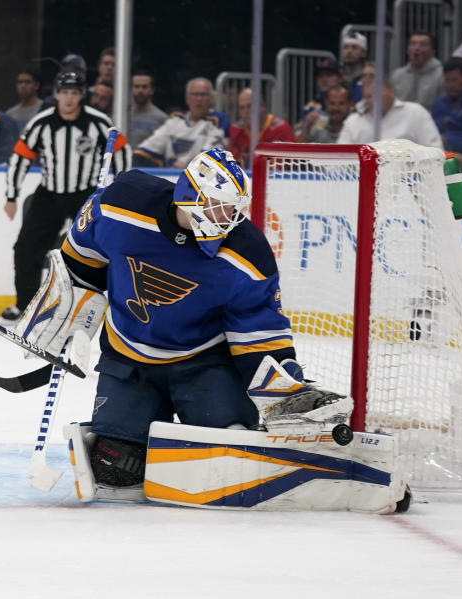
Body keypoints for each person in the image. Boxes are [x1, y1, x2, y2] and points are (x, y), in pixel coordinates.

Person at [33, 149, 298, 490]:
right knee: (115, 469)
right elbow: (78, 264)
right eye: (221, 206)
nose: (230, 218)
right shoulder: (119, 206)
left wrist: (286, 391)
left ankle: (222, 421)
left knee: (227, 457)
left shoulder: (248, 251)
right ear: (190, 198)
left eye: (234, 208)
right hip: (128, 360)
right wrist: (65, 312)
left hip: (205, 362)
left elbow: (257, 334)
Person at [1, 71, 130, 320]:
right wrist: (11, 195)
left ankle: (103, 307)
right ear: (56, 94)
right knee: (26, 249)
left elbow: (122, 150)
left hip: (86, 195)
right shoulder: (42, 123)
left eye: (74, 93)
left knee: (98, 251)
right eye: (65, 92)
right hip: (49, 194)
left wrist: (118, 188)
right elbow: (20, 157)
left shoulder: (99, 122)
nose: (69, 98)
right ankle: (25, 305)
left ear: (81, 95)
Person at [133, 77, 227, 168]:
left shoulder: (218, 120)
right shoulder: (175, 120)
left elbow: (209, 155)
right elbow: (147, 147)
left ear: (211, 99)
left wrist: (187, 166)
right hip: (171, 174)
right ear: (187, 99)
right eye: (195, 94)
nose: (199, 99)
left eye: (203, 95)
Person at [337, 74, 442, 148]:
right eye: (368, 96)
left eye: (377, 94)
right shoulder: (353, 121)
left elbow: (436, 151)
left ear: (391, 91)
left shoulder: (416, 113)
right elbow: (340, 158)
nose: (374, 100)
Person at [228, 87, 295, 168]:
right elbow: (233, 165)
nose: (246, 111)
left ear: (262, 106)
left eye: (249, 106)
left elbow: (289, 164)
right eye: (242, 108)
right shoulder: (236, 130)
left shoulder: (281, 129)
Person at [430, 57, 462, 172]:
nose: (450, 85)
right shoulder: (438, 104)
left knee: (446, 161)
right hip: (439, 152)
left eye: (454, 80)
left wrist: (448, 140)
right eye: (447, 80)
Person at [391, 31, 445, 110]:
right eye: (413, 44)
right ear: (407, 50)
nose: (417, 48)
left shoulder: (441, 75)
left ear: (432, 52)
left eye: (423, 45)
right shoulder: (397, 75)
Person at [128, 69, 167, 147]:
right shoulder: (122, 115)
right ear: (131, 89)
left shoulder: (162, 118)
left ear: (152, 90)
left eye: (144, 87)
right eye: (136, 86)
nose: (140, 90)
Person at [340, 31, 368, 100]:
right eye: (346, 47)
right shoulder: (336, 75)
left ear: (363, 53)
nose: (349, 51)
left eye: (354, 47)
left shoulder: (369, 76)